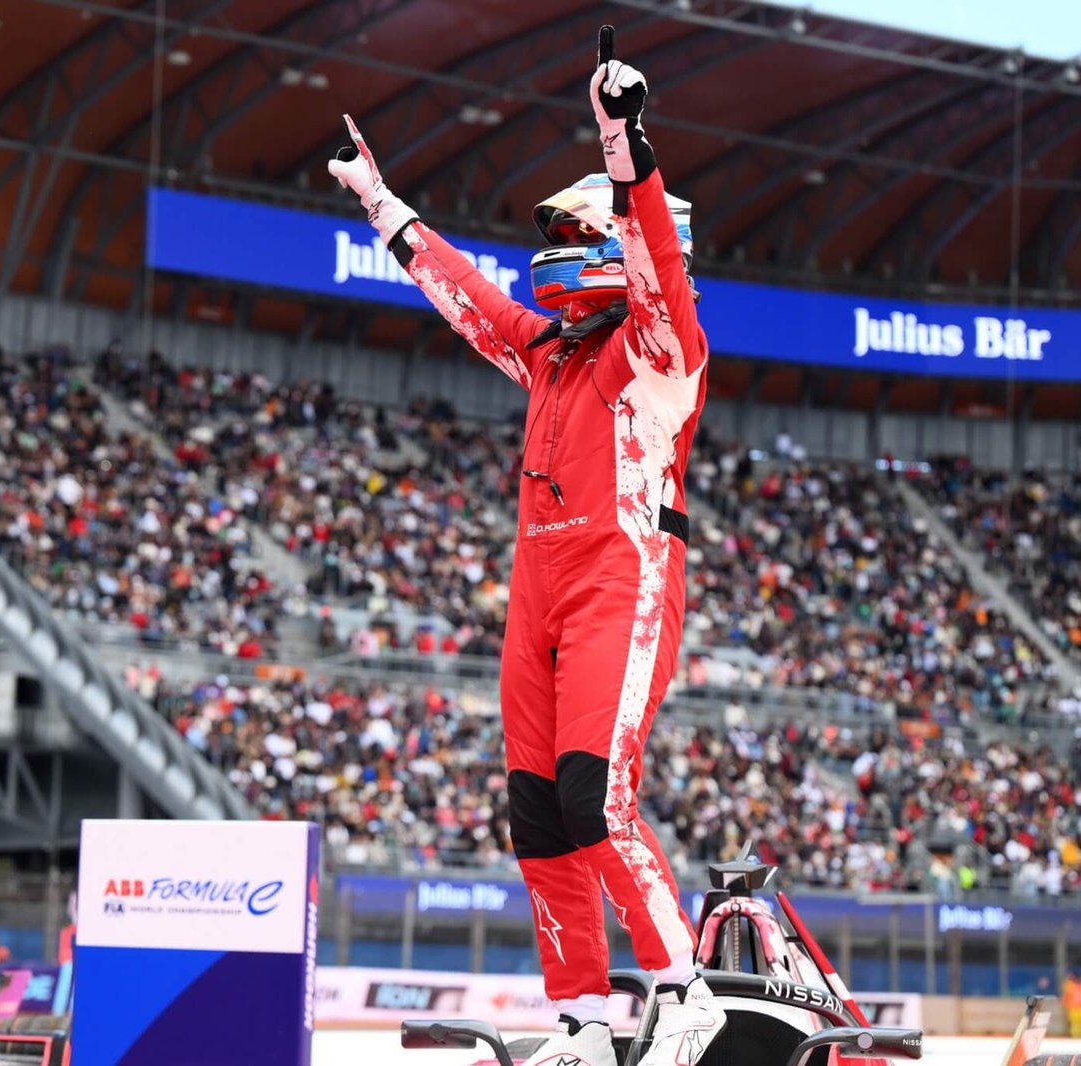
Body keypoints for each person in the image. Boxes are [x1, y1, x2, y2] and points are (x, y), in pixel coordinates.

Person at [329, 25, 721, 1066]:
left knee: (597, 797)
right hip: (539, 591)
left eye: (571, 229)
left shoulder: (663, 349)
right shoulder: (549, 354)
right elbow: (466, 299)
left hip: (622, 577)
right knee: (539, 815)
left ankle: (684, 990)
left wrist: (622, 143)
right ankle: (583, 1019)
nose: (550, 247)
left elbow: (653, 264)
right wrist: (381, 203)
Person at [1061, 971, 1081, 1039]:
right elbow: (1066, 992)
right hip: (1073, 1007)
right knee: (1075, 1023)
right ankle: (1076, 1036)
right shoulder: (1070, 985)